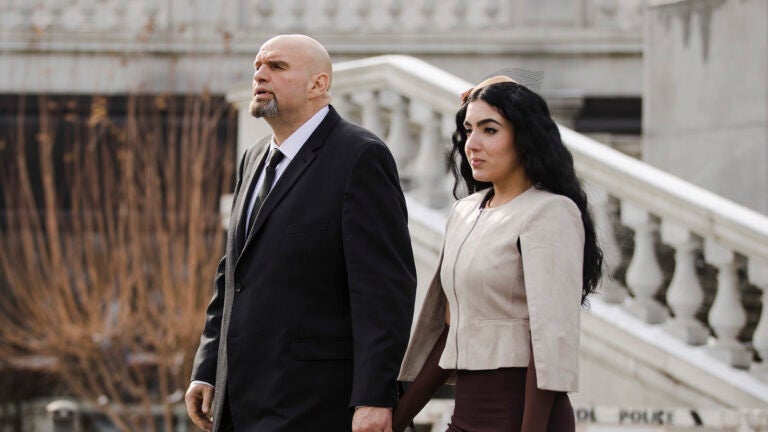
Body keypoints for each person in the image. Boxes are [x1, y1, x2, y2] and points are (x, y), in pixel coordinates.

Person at [184, 34, 417, 432]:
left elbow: (384, 289)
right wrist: (207, 367)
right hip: (239, 400)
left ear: (318, 84)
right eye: (258, 66)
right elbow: (233, 275)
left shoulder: (360, 156)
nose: (260, 74)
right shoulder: (254, 157)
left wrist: (374, 396)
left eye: (276, 67)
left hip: (316, 403)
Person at [393, 76, 603, 431]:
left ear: (525, 138)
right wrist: (398, 418)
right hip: (466, 417)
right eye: (468, 129)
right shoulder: (465, 211)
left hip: (525, 418)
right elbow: (451, 329)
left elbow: (548, 340)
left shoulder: (551, 212)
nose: (471, 144)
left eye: (489, 130)